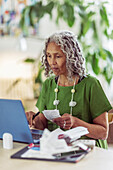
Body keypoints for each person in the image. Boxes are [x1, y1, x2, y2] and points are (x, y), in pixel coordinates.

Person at [26, 30, 112, 149]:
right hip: (56, 149)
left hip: (88, 150)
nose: (52, 62)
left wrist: (76, 123)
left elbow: (103, 133)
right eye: (49, 55)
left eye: (58, 56)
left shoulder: (91, 84)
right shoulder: (48, 84)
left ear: (71, 57)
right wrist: (33, 120)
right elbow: (43, 124)